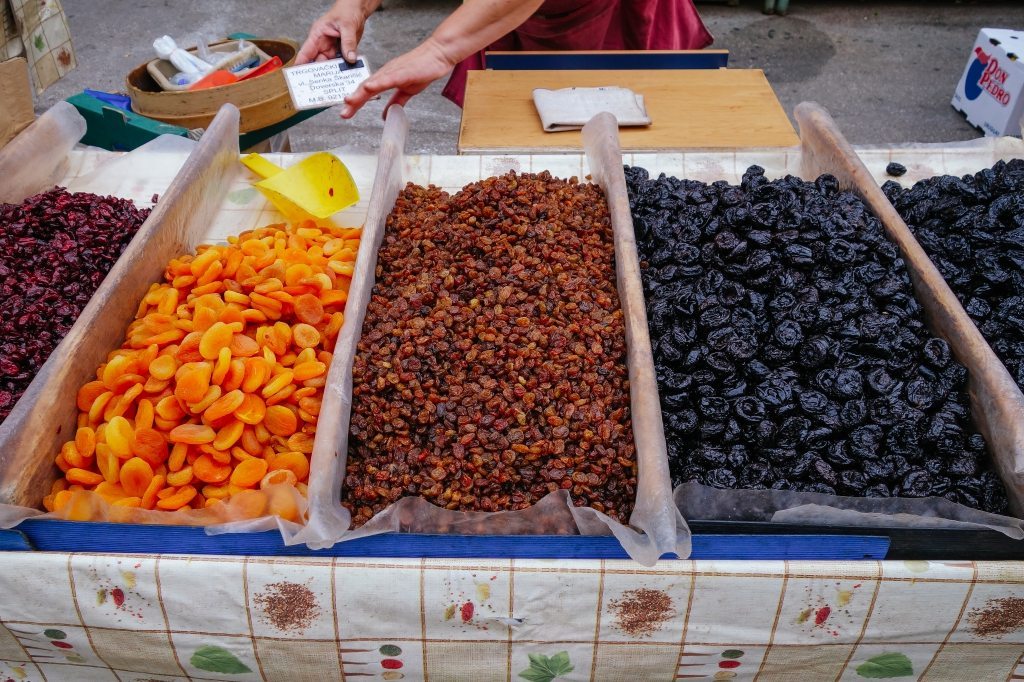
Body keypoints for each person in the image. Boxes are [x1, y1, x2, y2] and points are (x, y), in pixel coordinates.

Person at [297, 0, 712, 118]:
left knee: (624, 123)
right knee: (513, 124)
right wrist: (354, 5)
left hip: (608, 15)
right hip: (497, 14)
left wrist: (439, 50)